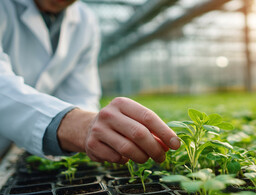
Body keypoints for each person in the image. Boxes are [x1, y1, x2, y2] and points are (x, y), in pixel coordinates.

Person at [0, 0, 180, 164]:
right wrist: (77, 126)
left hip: (19, 151)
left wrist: (94, 129)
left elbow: (80, 93)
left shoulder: (85, 21)